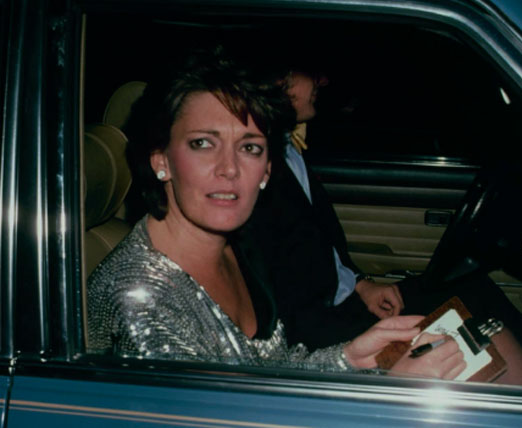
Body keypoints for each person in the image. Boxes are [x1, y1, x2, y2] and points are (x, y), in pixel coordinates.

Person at [86, 47, 467, 380]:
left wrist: (350, 359)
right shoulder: (138, 299)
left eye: (250, 148)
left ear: (268, 170)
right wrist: (391, 392)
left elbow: (265, 369)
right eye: (202, 143)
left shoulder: (239, 249)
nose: (229, 168)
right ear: (161, 161)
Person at [243, 68, 522, 385]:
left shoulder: (289, 150)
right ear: (275, 78)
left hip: (344, 302)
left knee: (472, 289)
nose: (323, 80)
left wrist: (361, 284)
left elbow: (319, 242)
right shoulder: (257, 172)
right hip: (317, 326)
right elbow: (283, 289)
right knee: (475, 324)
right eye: (310, 72)